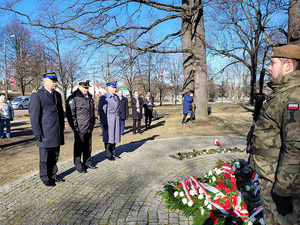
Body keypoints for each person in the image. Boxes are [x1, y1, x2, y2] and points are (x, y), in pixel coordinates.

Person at [249, 44, 300, 225]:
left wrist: (283, 191)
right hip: (271, 178)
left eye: (273, 63)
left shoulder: (294, 96)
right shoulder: (282, 93)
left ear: (288, 66)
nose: (269, 68)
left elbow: (295, 148)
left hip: (282, 185)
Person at [29, 72, 65, 187]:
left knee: (54, 155)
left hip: (56, 130)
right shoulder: (37, 95)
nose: (55, 84)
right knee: (45, 157)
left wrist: (62, 127)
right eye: (53, 82)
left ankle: (53, 174)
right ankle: (45, 177)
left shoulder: (57, 95)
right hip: (45, 132)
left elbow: (60, 113)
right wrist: (37, 132)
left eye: (55, 82)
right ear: (45, 82)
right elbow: (34, 115)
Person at [66, 80, 96, 173]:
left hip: (89, 126)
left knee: (88, 146)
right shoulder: (73, 98)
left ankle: (87, 162)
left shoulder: (89, 97)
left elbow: (92, 112)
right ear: (79, 87)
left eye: (87, 88)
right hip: (79, 127)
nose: (86, 89)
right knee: (79, 147)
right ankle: (78, 164)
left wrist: (93, 123)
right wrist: (74, 127)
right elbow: (71, 114)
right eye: (85, 88)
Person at [98, 81, 121, 161]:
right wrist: (104, 122)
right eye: (113, 88)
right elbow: (102, 111)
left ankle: (114, 152)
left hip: (116, 119)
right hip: (109, 120)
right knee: (108, 137)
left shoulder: (116, 97)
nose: (115, 89)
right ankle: (108, 154)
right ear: (108, 88)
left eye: (115, 87)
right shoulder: (104, 98)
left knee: (115, 136)